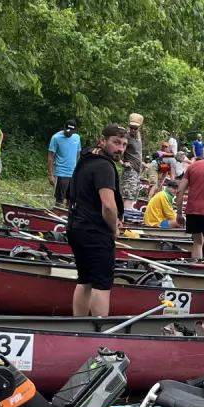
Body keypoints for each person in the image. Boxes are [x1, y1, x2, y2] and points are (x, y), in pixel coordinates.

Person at [67, 123, 127, 317]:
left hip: (76, 228)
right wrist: (114, 229)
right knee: (102, 284)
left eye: (124, 145)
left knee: (84, 280)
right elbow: (108, 205)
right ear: (102, 140)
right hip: (95, 231)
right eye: (116, 143)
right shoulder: (104, 166)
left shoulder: (85, 159)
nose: (120, 149)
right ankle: (99, 334)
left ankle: (79, 326)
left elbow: (71, 197)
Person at [176, 157, 204, 260]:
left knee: (197, 243)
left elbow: (180, 191)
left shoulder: (193, 166)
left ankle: (196, 266)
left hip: (192, 209)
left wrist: (179, 214)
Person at [48, 119, 81, 206]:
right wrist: (51, 174)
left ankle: (67, 217)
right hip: (61, 172)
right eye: (67, 131)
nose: (69, 133)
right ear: (64, 128)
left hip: (73, 173)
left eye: (71, 131)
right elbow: (51, 156)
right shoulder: (56, 138)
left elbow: (78, 155)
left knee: (71, 199)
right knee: (60, 199)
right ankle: (57, 216)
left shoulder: (77, 138)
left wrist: (78, 171)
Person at [119, 112, 143, 210]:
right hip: (130, 170)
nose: (133, 130)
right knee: (128, 197)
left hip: (138, 170)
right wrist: (123, 163)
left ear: (140, 128)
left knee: (133, 195)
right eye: (131, 127)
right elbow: (119, 150)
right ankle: (125, 219)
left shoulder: (139, 136)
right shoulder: (126, 137)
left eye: (135, 128)